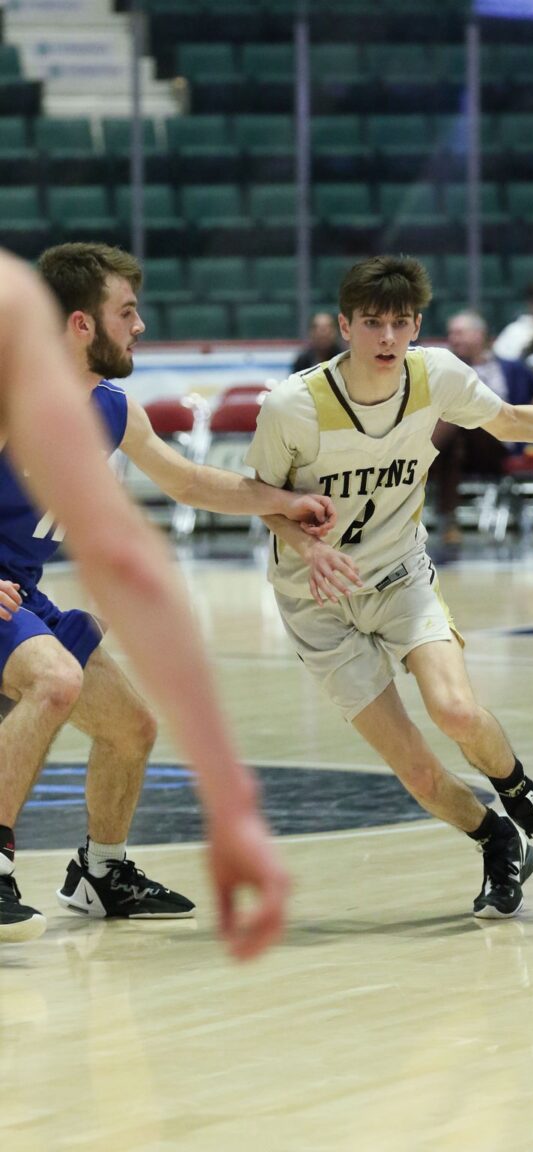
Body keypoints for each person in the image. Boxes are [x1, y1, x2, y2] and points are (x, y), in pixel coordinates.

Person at [244, 255, 533, 920]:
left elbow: (512, 420)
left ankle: (529, 801)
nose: (388, 338)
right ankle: (496, 840)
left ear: (417, 325)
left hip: (399, 573)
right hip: (317, 600)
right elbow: (260, 498)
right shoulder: (294, 407)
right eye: (372, 323)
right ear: (345, 326)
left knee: (456, 709)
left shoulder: (435, 377)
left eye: (400, 323)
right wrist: (308, 546)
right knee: (421, 774)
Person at [0, 243, 335, 950]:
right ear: (83, 324)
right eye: (127, 311)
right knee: (55, 680)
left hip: (18, 593)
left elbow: (186, 482)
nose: (141, 325)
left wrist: (285, 504)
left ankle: (101, 873)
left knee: (131, 728)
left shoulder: (109, 408)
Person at [430, 309, 533, 544]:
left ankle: (416, 457)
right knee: (454, 439)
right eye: (451, 333)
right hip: (454, 446)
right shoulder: (440, 369)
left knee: (458, 414)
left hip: (497, 443)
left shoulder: (510, 368)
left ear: (479, 334)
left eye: (460, 332)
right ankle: (449, 521)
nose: (454, 338)